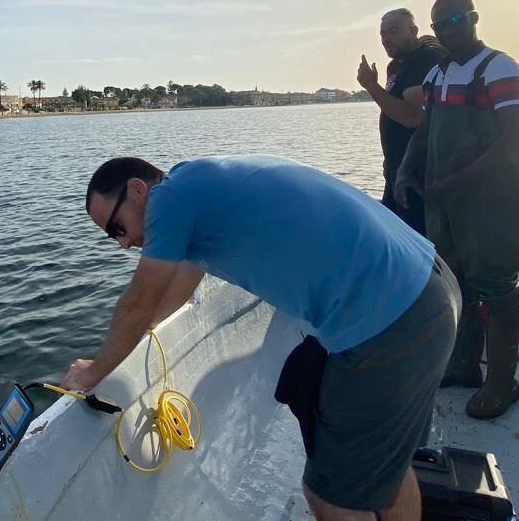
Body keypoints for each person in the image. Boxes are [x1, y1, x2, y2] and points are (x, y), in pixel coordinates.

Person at [62, 154, 459, 521]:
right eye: (111, 238)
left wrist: (93, 372)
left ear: (137, 189)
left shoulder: (170, 199)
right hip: (427, 287)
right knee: (385, 475)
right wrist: (139, 336)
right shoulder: (197, 191)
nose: (123, 243)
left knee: (331, 497)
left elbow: (137, 305)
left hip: (390, 319)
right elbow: (174, 290)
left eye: (117, 227)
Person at [395, 0, 519, 420]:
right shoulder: (438, 76)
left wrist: (455, 183)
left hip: (492, 206)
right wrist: (405, 170)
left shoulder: (499, 68)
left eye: (454, 19)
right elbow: (424, 131)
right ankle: (463, 365)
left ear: (473, 18)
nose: (447, 29)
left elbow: (514, 142)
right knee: (455, 284)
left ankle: (501, 383)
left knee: (496, 288)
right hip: (446, 206)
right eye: (439, 24)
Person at [357, 8, 447, 234]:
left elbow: (411, 117)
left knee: (415, 242)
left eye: (394, 31)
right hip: (395, 171)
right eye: (383, 34)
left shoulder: (425, 58)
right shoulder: (396, 66)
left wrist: (371, 86)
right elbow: (392, 107)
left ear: (414, 31)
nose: (387, 39)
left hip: (418, 175)